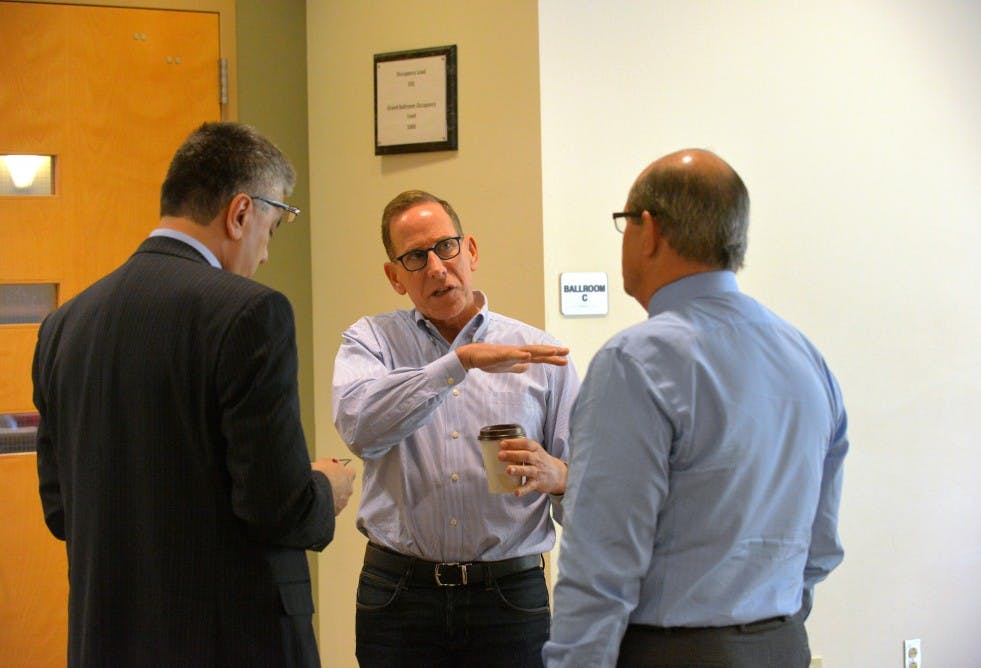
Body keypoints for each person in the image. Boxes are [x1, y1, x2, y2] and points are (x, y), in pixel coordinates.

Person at [32, 122, 356, 668]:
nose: (266, 256)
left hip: (106, 638)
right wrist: (325, 485)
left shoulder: (65, 323)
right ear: (240, 214)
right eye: (272, 229)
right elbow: (276, 507)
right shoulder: (251, 312)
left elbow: (61, 510)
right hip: (229, 641)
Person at [544, 149, 849, 667]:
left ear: (650, 231)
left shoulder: (634, 362)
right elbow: (820, 545)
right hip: (782, 646)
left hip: (675, 652)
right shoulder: (806, 357)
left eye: (624, 225)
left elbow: (601, 567)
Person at [332, 189, 580, 667]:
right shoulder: (371, 342)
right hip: (398, 594)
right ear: (395, 277)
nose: (436, 267)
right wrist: (458, 364)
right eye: (414, 257)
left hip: (509, 597)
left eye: (446, 247)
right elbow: (361, 428)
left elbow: (599, 496)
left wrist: (562, 477)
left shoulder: (540, 353)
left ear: (471, 251)